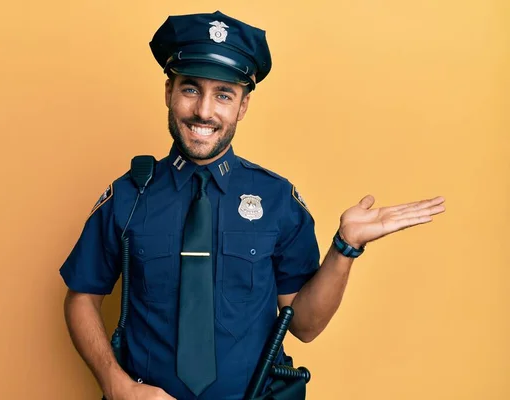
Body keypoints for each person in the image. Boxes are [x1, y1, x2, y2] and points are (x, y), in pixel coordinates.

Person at [59, 10, 445, 400]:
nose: (204, 111)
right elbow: (82, 297)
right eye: (190, 89)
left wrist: (345, 247)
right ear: (168, 92)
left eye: (223, 94)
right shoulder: (128, 194)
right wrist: (115, 383)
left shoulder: (277, 199)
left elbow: (305, 325)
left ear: (242, 106)